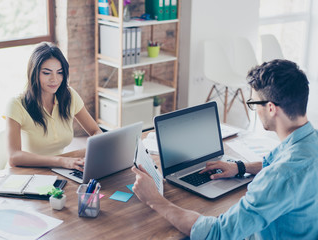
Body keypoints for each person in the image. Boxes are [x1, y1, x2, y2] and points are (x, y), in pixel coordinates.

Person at [132, 59, 318, 239]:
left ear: (270, 108)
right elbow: (280, 166)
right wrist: (241, 167)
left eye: (253, 104)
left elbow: (218, 233)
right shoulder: (309, 142)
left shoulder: (281, 176)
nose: (254, 109)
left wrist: (154, 200)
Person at [5, 42, 102, 170]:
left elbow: (96, 131)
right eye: (46, 73)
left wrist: (85, 152)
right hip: (27, 172)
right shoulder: (16, 104)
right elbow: (14, 157)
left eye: (60, 72)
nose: (54, 79)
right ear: (34, 73)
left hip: (59, 169)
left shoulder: (70, 96)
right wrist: (62, 160)